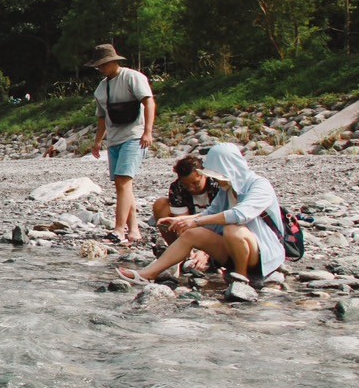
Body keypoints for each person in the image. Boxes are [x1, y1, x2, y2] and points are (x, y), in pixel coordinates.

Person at [119, 143, 285, 288]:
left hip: (261, 254)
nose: (214, 180)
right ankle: (149, 274)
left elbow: (240, 215)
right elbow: (211, 213)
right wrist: (181, 220)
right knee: (192, 234)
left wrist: (197, 221)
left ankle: (241, 279)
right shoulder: (226, 189)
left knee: (233, 230)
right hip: (233, 251)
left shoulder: (259, 185)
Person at [86, 43, 155, 246]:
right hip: (114, 139)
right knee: (122, 186)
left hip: (134, 136)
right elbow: (101, 118)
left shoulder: (132, 77)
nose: (100, 69)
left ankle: (119, 229)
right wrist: (98, 141)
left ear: (114, 61)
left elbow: (149, 102)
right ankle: (133, 230)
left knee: (124, 181)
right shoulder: (100, 89)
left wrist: (148, 132)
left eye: (103, 65)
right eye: (98, 66)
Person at [154, 155, 216, 268]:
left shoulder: (217, 185)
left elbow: (222, 218)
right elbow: (182, 223)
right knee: (161, 204)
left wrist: (205, 252)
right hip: (191, 224)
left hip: (215, 226)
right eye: (186, 185)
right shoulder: (177, 188)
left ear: (204, 175)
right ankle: (181, 253)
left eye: (195, 183)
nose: (191, 188)